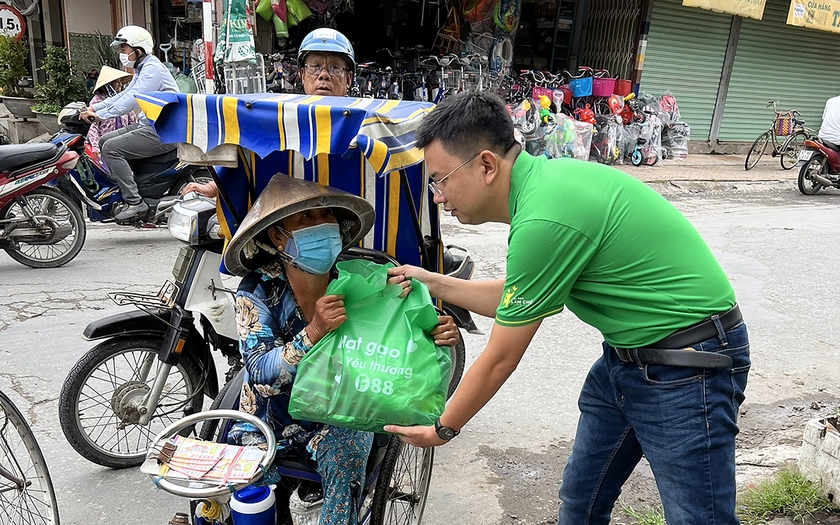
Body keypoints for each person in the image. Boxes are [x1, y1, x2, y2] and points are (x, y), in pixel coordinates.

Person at [383, 91, 750, 525]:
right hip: (626, 360)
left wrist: (442, 428)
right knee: (580, 501)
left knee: (698, 519)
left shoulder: (544, 217)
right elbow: (520, 296)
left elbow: (501, 356)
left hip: (687, 364)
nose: (439, 197)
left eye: (440, 180)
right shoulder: (544, 188)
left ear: (485, 165)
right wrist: (432, 281)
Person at [223, 174, 459, 524]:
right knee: (247, 499)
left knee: (350, 447)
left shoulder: (363, 279)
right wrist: (314, 331)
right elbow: (260, 376)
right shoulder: (257, 290)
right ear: (277, 236)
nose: (322, 225)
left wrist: (433, 331)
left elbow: (399, 342)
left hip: (343, 410)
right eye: (306, 219)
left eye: (328, 217)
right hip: (269, 419)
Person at [182, 27, 356, 198]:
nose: (324, 75)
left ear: (348, 78)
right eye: (315, 66)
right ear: (302, 75)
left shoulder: (366, 121)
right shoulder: (281, 117)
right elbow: (250, 152)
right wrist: (214, 186)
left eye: (334, 68)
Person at [79, 25, 179, 221]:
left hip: (162, 130)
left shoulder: (152, 69)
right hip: (148, 124)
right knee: (104, 140)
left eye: (123, 49)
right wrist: (95, 109)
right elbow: (124, 93)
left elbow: (133, 98)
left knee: (111, 149)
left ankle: (135, 202)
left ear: (138, 50)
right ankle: (129, 186)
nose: (121, 54)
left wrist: (102, 115)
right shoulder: (143, 68)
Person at [85, 66, 137, 163]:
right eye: (117, 82)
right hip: (104, 145)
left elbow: (132, 122)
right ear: (108, 84)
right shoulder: (97, 101)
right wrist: (96, 146)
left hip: (122, 144)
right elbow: (92, 127)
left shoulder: (123, 100)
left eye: (121, 82)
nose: (120, 85)